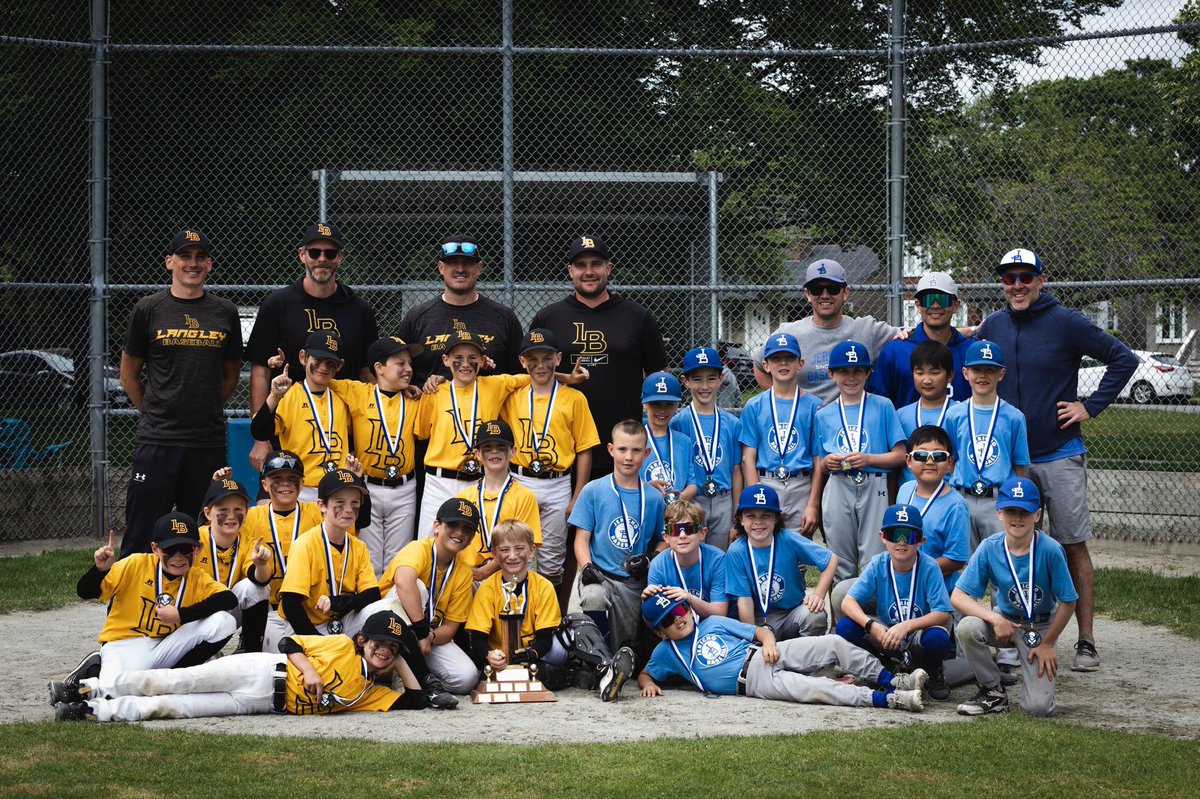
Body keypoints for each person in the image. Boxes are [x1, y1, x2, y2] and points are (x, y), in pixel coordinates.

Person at [978, 248, 1137, 673]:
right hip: (1013, 461)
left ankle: (1085, 640)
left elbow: (1124, 358)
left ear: (1041, 280)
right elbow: (968, 362)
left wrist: (1091, 406)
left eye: (1025, 277)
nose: (1017, 286)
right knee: (1014, 546)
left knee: (1071, 544)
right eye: (1009, 279)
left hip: (1059, 453)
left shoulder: (1066, 321)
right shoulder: (992, 325)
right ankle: (1014, 638)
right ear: (1002, 284)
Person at [50, 610, 436, 722]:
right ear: (361, 641)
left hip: (262, 704)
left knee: (175, 708)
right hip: (263, 671)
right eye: (378, 644)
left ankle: (91, 712)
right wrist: (312, 671)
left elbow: (416, 701)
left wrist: (401, 658)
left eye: (391, 649)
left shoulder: (372, 694)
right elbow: (288, 641)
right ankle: (91, 687)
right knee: (177, 681)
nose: (383, 651)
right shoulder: (340, 646)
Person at [118, 228, 242, 556]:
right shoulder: (149, 308)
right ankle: (130, 604)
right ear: (169, 262)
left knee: (200, 531)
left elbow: (230, 375)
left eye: (200, 257)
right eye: (185, 256)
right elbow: (129, 374)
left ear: (210, 265)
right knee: (144, 529)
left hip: (206, 441)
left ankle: (195, 604)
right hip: (158, 440)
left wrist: (205, 405)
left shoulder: (224, 311)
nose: (193, 263)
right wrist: (156, 410)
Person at [634, 593, 926, 711]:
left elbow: (759, 632)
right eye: (669, 620)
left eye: (680, 610)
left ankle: (891, 679)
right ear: (660, 632)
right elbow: (646, 672)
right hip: (753, 682)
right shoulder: (667, 651)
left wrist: (770, 644)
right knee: (817, 687)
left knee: (832, 643)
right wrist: (647, 685)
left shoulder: (711, 622)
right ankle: (887, 700)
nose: (679, 618)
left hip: (763, 653)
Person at [530, 234, 668, 479]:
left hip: (622, 449)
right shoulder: (549, 318)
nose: (589, 271)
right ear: (570, 271)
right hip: (561, 446)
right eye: (581, 265)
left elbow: (659, 376)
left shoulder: (637, 316)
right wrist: (565, 378)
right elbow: (527, 373)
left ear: (608, 268)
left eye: (596, 264)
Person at [245, 222, 378, 472]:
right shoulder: (278, 304)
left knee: (342, 506)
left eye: (330, 253)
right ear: (302, 255)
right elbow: (261, 370)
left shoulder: (360, 310)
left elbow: (367, 375)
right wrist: (261, 438)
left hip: (342, 432)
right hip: (288, 428)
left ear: (340, 257)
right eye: (315, 252)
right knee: (280, 503)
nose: (322, 259)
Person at [55, 512, 237, 694]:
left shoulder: (196, 577)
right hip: (125, 644)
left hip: (167, 645)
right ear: (156, 549)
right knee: (114, 693)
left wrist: (181, 615)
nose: (178, 556)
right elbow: (85, 592)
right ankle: (90, 672)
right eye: (170, 549)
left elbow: (228, 599)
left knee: (224, 622)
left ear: (198, 549)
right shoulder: (136, 564)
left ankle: (173, 678)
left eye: (186, 549)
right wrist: (99, 570)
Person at [464, 520, 636, 701]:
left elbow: (546, 636)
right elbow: (477, 639)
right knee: (546, 674)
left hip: (539, 652)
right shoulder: (487, 589)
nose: (512, 556)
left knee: (577, 622)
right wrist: (490, 655)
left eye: (519, 549)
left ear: (532, 551)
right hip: (502, 659)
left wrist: (533, 653)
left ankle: (606, 670)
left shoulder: (543, 586)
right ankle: (575, 676)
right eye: (505, 550)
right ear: (495, 554)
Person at [953, 478, 1078, 717]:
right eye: (1011, 510)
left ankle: (1033, 684)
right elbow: (958, 596)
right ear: (999, 512)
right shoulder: (990, 547)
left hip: (1040, 627)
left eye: (1025, 511)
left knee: (1037, 709)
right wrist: (994, 617)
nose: (1017, 518)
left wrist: (1049, 643)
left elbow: (1068, 601)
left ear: (1038, 514)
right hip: (1006, 621)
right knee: (968, 627)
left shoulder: (1050, 550)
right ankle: (993, 692)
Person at [501, 328, 600, 606]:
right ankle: (515, 616)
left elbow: (584, 449)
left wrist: (578, 493)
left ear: (558, 358)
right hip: (519, 480)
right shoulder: (513, 394)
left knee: (552, 560)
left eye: (547, 358)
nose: (540, 365)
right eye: (532, 359)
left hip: (557, 483)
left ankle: (550, 621)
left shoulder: (574, 398)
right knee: (514, 552)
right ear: (522, 362)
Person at [413, 330, 532, 540]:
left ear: (482, 360)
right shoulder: (435, 392)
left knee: (473, 542)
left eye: (472, 359)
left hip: (477, 479)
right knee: (430, 541)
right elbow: (422, 433)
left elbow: (533, 376)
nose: (465, 364)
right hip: (439, 480)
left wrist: (567, 377)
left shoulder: (495, 385)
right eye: (457, 359)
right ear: (445, 360)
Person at [326, 336, 427, 574]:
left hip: (404, 490)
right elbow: (322, 379)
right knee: (368, 559)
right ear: (379, 368)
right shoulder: (357, 391)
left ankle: (392, 610)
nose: (409, 369)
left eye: (410, 364)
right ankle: (370, 610)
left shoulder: (416, 399)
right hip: (367, 487)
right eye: (400, 363)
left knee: (398, 560)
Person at [834, 504, 954, 700]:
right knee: (845, 627)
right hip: (885, 633)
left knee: (938, 639)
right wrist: (872, 626)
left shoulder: (930, 567)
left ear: (921, 541)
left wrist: (906, 626)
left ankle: (933, 671)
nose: (901, 542)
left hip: (917, 634)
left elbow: (942, 613)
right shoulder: (878, 564)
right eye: (893, 534)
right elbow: (848, 602)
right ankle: (882, 668)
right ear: (882, 537)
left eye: (910, 536)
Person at [570, 420, 667, 655]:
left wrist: (652, 556)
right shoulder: (593, 490)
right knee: (592, 595)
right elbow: (581, 539)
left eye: (636, 451)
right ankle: (600, 660)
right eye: (622, 449)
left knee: (630, 645)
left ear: (646, 453)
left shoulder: (653, 498)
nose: (628, 457)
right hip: (602, 576)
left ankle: (631, 655)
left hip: (636, 582)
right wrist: (587, 567)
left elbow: (664, 538)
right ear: (611, 450)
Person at [815, 340, 906, 581]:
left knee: (874, 557)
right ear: (832, 374)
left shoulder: (883, 405)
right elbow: (820, 462)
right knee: (839, 558)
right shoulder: (824, 413)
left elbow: (899, 454)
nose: (851, 377)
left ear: (868, 373)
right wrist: (828, 463)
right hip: (838, 484)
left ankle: (871, 616)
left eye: (858, 371)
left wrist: (868, 459)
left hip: (874, 482)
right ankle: (842, 618)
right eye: (843, 371)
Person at [371, 498, 480, 697]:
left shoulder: (463, 572)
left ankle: (412, 671)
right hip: (386, 625)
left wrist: (429, 637)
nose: (459, 533)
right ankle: (399, 673)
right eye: (453, 525)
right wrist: (421, 632)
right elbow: (403, 582)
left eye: (467, 529)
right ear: (437, 526)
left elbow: (450, 628)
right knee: (416, 587)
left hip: (425, 637)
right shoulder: (419, 548)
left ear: (472, 539)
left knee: (467, 678)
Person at [754, 259, 898, 404]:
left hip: (852, 419)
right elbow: (759, 364)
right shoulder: (788, 333)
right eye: (817, 289)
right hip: (805, 421)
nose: (824, 295)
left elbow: (912, 335)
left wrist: (903, 335)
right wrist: (786, 401)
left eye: (832, 288)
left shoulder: (867, 329)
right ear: (808, 294)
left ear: (845, 293)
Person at [271, 469, 379, 648]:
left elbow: (372, 595)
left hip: (340, 623)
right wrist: (318, 644)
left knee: (384, 609)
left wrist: (339, 602)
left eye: (354, 503)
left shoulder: (358, 546)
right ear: (321, 505)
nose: (348, 510)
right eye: (340, 503)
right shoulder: (305, 543)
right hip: (305, 627)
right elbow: (291, 605)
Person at [398, 234, 524, 385]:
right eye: (452, 263)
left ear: (479, 268)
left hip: (487, 407)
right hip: (431, 407)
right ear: (441, 268)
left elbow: (519, 375)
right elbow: (400, 372)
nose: (460, 269)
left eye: (467, 263)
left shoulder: (504, 317)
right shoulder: (417, 317)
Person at [944, 340, 1030, 550]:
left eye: (990, 370)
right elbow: (950, 459)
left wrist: (1014, 503)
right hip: (963, 497)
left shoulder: (1014, 417)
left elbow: (1020, 467)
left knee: (1001, 559)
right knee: (965, 565)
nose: (983, 376)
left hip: (998, 500)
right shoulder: (954, 415)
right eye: (977, 370)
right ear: (965, 373)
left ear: (1001, 374)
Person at [725, 485, 837, 639]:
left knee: (814, 615)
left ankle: (804, 657)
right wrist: (754, 637)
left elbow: (831, 559)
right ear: (741, 520)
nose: (758, 522)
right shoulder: (736, 551)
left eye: (765, 515)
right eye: (751, 516)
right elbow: (744, 601)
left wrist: (818, 594)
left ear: (776, 518)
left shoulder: (788, 539)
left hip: (790, 614)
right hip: (757, 618)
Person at [251, 331, 351, 502]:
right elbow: (259, 431)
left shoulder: (345, 395)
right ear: (303, 357)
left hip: (337, 485)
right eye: (318, 361)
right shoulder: (290, 395)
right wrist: (274, 396)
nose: (324, 367)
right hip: (300, 487)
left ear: (339, 366)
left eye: (330, 363)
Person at [739, 332, 822, 534]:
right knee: (763, 547)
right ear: (766, 365)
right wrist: (755, 493)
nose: (783, 364)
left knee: (796, 556)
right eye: (776, 359)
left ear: (800, 363)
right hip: (766, 482)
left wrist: (813, 504)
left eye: (789, 358)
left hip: (801, 484)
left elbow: (818, 458)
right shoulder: (755, 405)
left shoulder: (815, 406)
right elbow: (748, 457)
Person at [670, 346, 743, 551]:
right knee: (690, 557)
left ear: (721, 379)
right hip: (692, 501)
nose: (705, 386)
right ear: (685, 381)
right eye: (697, 379)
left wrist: (737, 515)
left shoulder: (732, 424)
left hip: (723, 499)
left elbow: (736, 471)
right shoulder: (678, 422)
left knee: (720, 558)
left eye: (711, 378)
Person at [867, 272, 973, 406]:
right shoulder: (896, 351)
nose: (935, 305)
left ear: (956, 305)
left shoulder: (972, 351)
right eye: (928, 299)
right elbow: (877, 406)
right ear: (917, 305)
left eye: (942, 299)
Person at [456, 419, 542, 582]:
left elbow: (524, 543)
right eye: (487, 448)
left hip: (508, 575)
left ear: (513, 452)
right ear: (478, 455)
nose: (494, 452)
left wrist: (484, 572)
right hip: (469, 576)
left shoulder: (524, 496)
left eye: (501, 448)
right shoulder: (464, 497)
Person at [196, 476, 273, 654]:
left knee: (253, 588)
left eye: (238, 509)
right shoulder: (195, 539)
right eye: (223, 509)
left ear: (247, 512)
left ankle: (250, 651)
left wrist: (261, 565)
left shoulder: (249, 543)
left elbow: (260, 580)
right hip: (194, 615)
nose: (231, 516)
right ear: (208, 513)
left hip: (227, 611)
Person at [642, 499, 728, 619]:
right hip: (679, 628)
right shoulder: (657, 565)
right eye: (675, 530)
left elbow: (720, 613)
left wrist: (689, 598)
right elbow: (657, 623)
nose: (682, 536)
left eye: (689, 528)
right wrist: (648, 604)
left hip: (714, 627)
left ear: (703, 533)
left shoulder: (717, 560)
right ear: (665, 537)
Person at [893, 341, 958, 485]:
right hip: (909, 498)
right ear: (912, 374)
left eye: (935, 373)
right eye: (920, 373)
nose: (927, 380)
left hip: (948, 495)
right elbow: (895, 466)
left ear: (950, 375)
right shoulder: (900, 415)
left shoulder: (960, 414)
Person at [639, 371, 694, 507]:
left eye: (669, 404)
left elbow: (692, 484)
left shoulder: (684, 441)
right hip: (645, 509)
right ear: (644, 405)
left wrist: (679, 497)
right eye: (656, 404)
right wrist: (648, 487)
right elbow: (624, 481)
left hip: (677, 512)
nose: (662, 410)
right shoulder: (635, 440)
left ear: (677, 405)